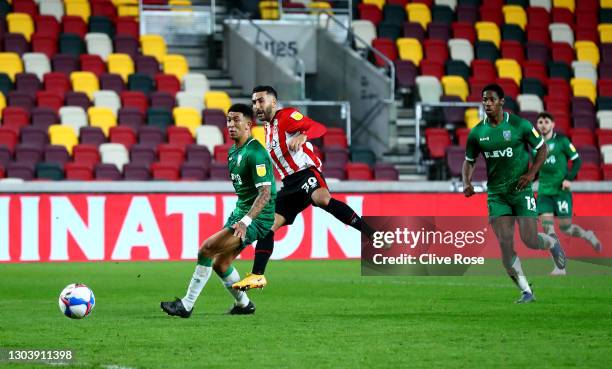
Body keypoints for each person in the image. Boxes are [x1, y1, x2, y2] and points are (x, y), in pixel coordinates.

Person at [231, 85, 377, 291]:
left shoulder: (287, 116)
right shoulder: (267, 129)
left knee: (322, 199)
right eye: (254, 102)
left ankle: (372, 234)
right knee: (267, 227)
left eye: (261, 101)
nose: (257, 106)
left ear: (273, 102)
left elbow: (318, 127)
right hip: (290, 184)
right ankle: (257, 275)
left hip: (306, 172)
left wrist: (303, 135)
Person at [160, 103, 276, 317]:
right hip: (241, 212)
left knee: (206, 249)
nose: (231, 125)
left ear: (249, 125)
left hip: (257, 218)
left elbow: (265, 194)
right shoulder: (233, 152)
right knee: (221, 264)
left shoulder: (256, 153)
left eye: (236, 120)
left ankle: (186, 305)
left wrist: (246, 221)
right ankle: (245, 305)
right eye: (228, 120)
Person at [462, 84, 567, 303]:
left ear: (501, 102)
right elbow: (469, 162)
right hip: (497, 195)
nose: (487, 103)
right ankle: (526, 290)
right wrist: (467, 181)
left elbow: (542, 149)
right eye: (484, 100)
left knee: (529, 239)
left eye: (491, 100)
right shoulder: (478, 133)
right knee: (505, 243)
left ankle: (551, 242)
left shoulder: (520, 125)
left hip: (521, 191)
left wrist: (530, 174)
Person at [535, 112, 602, 276]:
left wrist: (568, 178)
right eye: (540, 122)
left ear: (553, 125)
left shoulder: (562, 141)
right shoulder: (536, 145)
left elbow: (577, 161)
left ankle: (587, 234)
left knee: (566, 228)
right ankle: (560, 267)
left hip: (561, 192)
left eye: (546, 122)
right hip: (544, 192)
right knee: (548, 229)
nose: (543, 124)